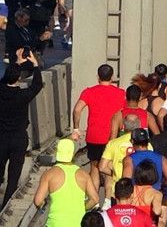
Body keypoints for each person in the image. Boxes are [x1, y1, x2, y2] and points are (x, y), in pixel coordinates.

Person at [72, 64, 126, 193]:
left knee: (95, 167)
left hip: (94, 135)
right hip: (112, 136)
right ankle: (107, 199)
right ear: (112, 77)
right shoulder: (121, 93)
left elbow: (77, 109)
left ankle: (94, 198)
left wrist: (76, 129)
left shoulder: (89, 92)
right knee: (109, 167)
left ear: (98, 77)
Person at [0, 49, 42, 206]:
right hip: (18, 138)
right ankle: (6, 206)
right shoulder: (22, 95)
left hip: (1, 137)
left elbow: (5, 79)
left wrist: (17, 62)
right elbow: (37, 85)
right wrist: (35, 65)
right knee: (14, 175)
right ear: (18, 78)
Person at [33, 139, 99, 227]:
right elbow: (95, 199)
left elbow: (38, 201)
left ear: (57, 153)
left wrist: (42, 208)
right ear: (72, 154)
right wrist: (83, 207)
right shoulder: (83, 175)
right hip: (78, 223)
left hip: (55, 223)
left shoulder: (49, 174)